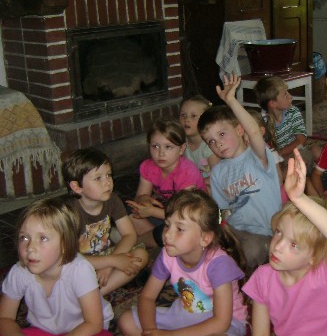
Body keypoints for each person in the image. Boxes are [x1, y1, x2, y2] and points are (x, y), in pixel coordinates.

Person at [191, 149, 327, 336]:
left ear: (314, 256)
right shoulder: (263, 276)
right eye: (278, 233)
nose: (277, 246)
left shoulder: (323, 273)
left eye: (294, 244)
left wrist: (299, 198)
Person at [117, 188, 248, 336]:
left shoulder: (219, 264)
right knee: (126, 320)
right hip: (185, 314)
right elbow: (147, 297)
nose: (167, 235)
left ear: (205, 238)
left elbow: (221, 322)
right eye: (167, 225)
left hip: (225, 323)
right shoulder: (167, 254)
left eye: (179, 229)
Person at [0, 198, 116, 336]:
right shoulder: (19, 272)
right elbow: (4, 319)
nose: (30, 247)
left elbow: (93, 324)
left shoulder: (80, 269)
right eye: (24, 237)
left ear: (64, 244)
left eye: (43, 238)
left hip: (80, 335)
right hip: (42, 333)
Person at [199, 74, 281, 272]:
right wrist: (221, 232)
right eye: (211, 141)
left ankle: (251, 282)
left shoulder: (258, 157)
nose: (217, 143)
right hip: (235, 231)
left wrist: (231, 101)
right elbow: (222, 211)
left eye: (221, 134)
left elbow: (254, 132)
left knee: (249, 253)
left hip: (266, 232)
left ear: (239, 130)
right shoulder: (218, 172)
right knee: (203, 246)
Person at [62, 148, 149, 296]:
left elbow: (129, 235)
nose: (107, 182)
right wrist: (112, 262)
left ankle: (98, 293)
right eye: (98, 178)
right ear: (77, 187)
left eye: (108, 175)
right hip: (81, 262)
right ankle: (91, 292)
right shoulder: (69, 213)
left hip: (107, 254)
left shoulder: (112, 200)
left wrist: (110, 265)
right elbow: (69, 258)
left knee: (141, 255)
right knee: (65, 274)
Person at [126, 118, 206, 249]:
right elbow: (139, 197)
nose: (161, 153)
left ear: (181, 149)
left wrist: (151, 211)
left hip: (192, 218)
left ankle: (135, 243)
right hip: (166, 214)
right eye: (155, 146)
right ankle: (157, 243)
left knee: (166, 231)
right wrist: (144, 199)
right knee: (130, 213)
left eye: (168, 147)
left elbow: (184, 214)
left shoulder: (187, 172)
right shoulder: (148, 166)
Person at [254, 76, 308, 159]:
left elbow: (302, 140)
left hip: (297, 152)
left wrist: (280, 153)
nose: (290, 96)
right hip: (278, 159)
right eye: (285, 94)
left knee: (313, 151)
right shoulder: (263, 122)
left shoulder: (293, 111)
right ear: (273, 104)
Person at [179, 95, 220, 192]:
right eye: (183, 115)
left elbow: (218, 177)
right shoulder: (181, 143)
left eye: (193, 116)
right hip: (193, 186)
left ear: (206, 121)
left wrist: (195, 183)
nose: (186, 119)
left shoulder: (209, 146)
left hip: (213, 186)